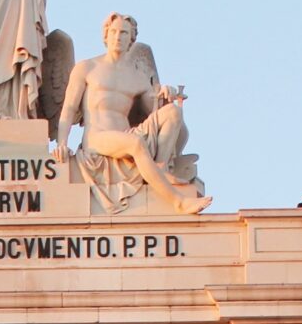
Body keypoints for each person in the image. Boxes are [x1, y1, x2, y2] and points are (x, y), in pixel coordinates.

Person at [53, 12, 209, 215]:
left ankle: (160, 168)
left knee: (173, 112)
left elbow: (152, 109)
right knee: (135, 144)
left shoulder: (137, 77)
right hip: (97, 139)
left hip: (126, 135)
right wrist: (61, 143)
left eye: (124, 33)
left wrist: (164, 95)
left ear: (131, 39)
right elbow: (69, 108)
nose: (118, 37)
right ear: (106, 36)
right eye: (114, 32)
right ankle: (178, 202)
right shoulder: (87, 68)